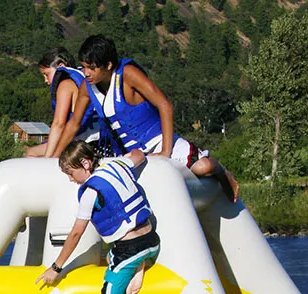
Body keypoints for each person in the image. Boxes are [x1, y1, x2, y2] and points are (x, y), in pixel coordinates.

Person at [51, 35, 239, 203]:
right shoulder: (87, 86)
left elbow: (165, 105)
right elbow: (73, 124)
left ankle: (222, 171)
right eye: (84, 67)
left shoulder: (128, 75)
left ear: (108, 65)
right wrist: (54, 157)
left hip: (159, 141)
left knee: (203, 168)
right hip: (130, 152)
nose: (86, 73)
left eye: (91, 68)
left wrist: (166, 151)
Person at [36, 140, 160, 294]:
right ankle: (140, 267)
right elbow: (138, 154)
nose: (71, 180)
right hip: (153, 242)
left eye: (71, 174)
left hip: (129, 249)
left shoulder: (91, 192)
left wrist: (56, 267)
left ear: (84, 163)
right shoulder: (117, 165)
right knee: (111, 255)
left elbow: (76, 233)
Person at [25, 47, 99, 158]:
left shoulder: (65, 85)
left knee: (31, 153)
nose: (45, 80)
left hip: (81, 141)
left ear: (61, 66)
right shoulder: (82, 79)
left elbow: (59, 124)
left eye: (46, 74)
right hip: (94, 138)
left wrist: (48, 159)